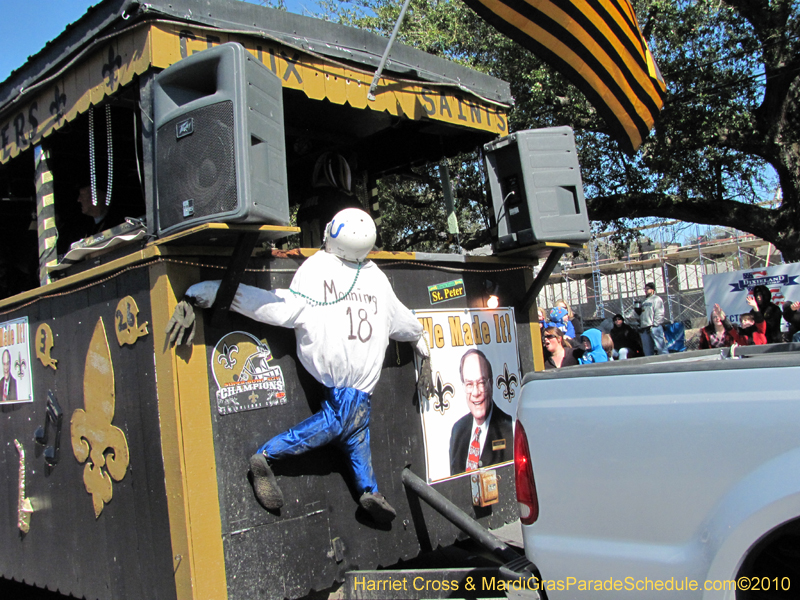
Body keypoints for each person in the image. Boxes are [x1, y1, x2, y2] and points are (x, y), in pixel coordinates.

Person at [182, 208, 429, 523]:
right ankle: (268, 455)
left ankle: (369, 491)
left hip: (353, 392)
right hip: (349, 391)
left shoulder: (320, 269)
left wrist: (211, 292)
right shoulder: (375, 278)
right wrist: (421, 341)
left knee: (356, 433)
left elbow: (277, 308)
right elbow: (405, 322)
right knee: (342, 424)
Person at [448, 349, 514, 476]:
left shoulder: (510, 430)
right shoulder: (457, 430)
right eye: (469, 384)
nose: (476, 392)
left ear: (491, 383)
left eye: (481, 383)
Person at [635, 282, 668, 356]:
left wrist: (655, 325)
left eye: (647, 289)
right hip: (644, 328)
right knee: (647, 350)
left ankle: (666, 360)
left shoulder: (656, 299)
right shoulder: (644, 301)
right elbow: (641, 315)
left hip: (654, 327)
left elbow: (659, 312)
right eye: (645, 289)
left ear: (652, 290)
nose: (645, 291)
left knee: (660, 347)